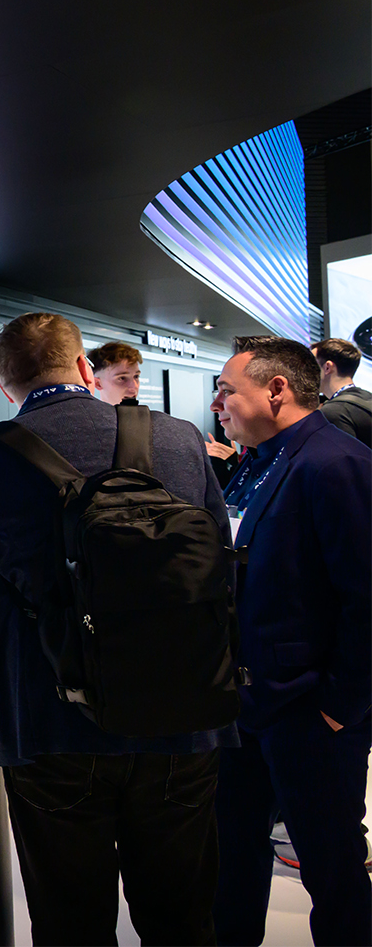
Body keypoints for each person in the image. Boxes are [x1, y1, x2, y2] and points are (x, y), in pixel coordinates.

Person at [0, 312, 234, 945]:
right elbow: (221, 576)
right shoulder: (179, 439)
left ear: (6, 386)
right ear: (83, 367)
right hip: (182, 715)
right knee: (183, 920)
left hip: (49, 724)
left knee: (70, 923)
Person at [208, 336, 371, 946]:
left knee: (333, 872)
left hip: (310, 714)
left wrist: (338, 708)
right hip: (246, 707)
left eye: (227, 390)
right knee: (232, 861)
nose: (217, 404)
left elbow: (367, 598)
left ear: (276, 390)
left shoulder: (337, 463)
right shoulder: (257, 462)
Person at [311, 337, 372, 447]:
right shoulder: (367, 398)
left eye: (311, 364)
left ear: (328, 367)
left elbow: (345, 458)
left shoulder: (333, 412)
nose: (306, 371)